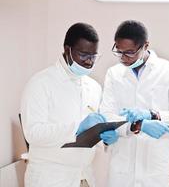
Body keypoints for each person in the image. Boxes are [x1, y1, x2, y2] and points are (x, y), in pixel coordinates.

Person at [20, 23, 118, 187]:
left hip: (84, 176)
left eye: (93, 56)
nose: (89, 62)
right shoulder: (41, 83)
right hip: (50, 178)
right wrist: (76, 128)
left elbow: (93, 133)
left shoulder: (94, 87)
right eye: (83, 55)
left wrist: (105, 139)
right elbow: (33, 133)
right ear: (67, 50)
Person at [101, 20, 169, 187]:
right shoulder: (114, 74)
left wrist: (154, 115)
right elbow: (107, 115)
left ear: (145, 46)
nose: (123, 58)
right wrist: (136, 126)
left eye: (129, 53)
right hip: (121, 170)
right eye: (119, 51)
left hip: (154, 171)